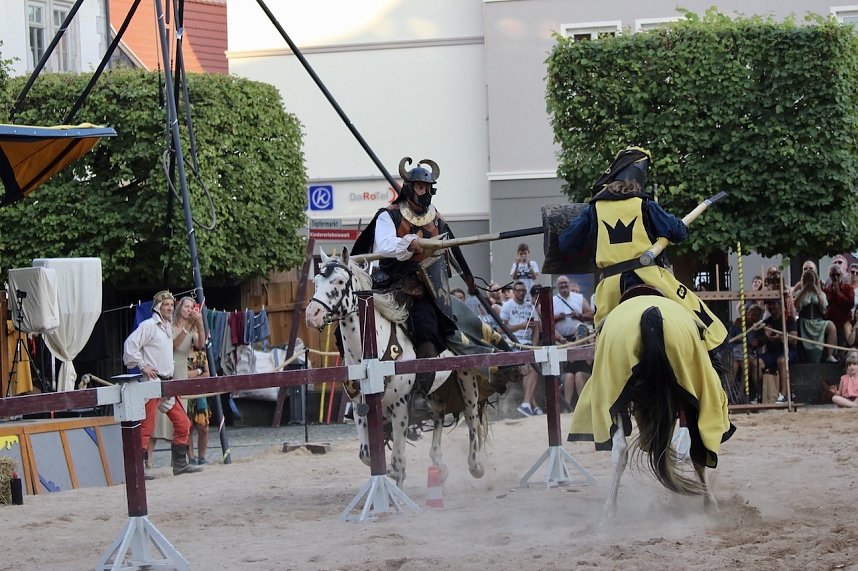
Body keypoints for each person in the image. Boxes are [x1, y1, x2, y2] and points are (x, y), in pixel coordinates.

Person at [558, 146, 727, 351]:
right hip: (649, 275)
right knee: (703, 321)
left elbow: (566, 244)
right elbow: (678, 233)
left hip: (611, 287)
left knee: (603, 343)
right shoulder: (645, 204)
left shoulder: (594, 209)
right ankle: (713, 360)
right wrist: (678, 226)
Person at [351, 157, 475, 409]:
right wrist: (408, 242)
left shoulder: (437, 219)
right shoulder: (389, 215)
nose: (424, 192)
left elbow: (454, 251)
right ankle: (355, 393)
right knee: (354, 326)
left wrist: (471, 280)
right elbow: (384, 245)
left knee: (426, 329)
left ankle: (419, 392)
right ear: (409, 188)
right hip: (389, 285)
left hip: (422, 290)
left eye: (427, 187)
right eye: (419, 186)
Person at [123, 290, 202, 476]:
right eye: (166, 304)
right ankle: (137, 471)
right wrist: (143, 366)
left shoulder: (167, 327)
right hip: (152, 383)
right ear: (158, 306)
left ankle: (180, 464)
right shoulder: (148, 326)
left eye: (171, 305)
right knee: (146, 427)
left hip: (167, 383)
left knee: (183, 423)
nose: (169, 307)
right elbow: (129, 347)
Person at [552, 276, 594, 410]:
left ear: (569, 284)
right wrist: (558, 317)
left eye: (565, 282)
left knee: (579, 373)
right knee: (569, 375)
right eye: (561, 283)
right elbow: (544, 322)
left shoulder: (579, 298)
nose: (563, 285)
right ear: (557, 286)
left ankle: (581, 407)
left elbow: (591, 314)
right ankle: (567, 406)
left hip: (581, 339)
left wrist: (580, 316)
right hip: (562, 340)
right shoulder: (553, 301)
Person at [500, 280, 541, 416]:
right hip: (513, 344)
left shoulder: (530, 307)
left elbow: (536, 329)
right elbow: (502, 329)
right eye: (518, 290)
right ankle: (531, 404)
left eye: (523, 290)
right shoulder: (507, 306)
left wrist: (534, 347)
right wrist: (521, 326)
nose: (521, 293)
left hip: (528, 344)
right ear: (514, 291)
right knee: (529, 369)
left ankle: (527, 404)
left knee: (533, 368)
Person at [792, 262, 838, 363]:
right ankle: (795, 356)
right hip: (804, 322)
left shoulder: (821, 292)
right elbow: (795, 305)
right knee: (794, 329)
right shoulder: (800, 292)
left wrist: (815, 289)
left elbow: (824, 307)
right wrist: (804, 289)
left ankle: (830, 355)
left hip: (818, 322)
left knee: (831, 326)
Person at [758, 297, 798, 404]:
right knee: (755, 363)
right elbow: (760, 342)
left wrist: (780, 337)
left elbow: (794, 339)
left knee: (782, 361)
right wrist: (766, 336)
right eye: (769, 304)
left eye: (773, 304)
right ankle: (762, 393)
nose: (771, 307)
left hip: (789, 351)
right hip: (771, 353)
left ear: (779, 304)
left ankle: (783, 395)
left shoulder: (788, 319)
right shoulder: (767, 322)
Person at [186, 349, 211, 465]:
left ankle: (202, 457)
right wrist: (200, 370)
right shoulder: (179, 355)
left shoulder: (202, 356)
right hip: (185, 395)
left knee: (204, 427)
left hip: (200, 395)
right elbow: (184, 375)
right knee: (187, 428)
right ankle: (191, 458)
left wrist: (193, 376)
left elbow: (208, 375)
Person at [823, 261, 854, 351]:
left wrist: (838, 293)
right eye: (833, 275)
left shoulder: (848, 288)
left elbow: (850, 304)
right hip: (830, 324)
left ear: (842, 275)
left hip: (843, 324)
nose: (835, 277)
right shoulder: (827, 289)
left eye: (838, 274)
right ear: (830, 275)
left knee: (841, 349)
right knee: (831, 351)